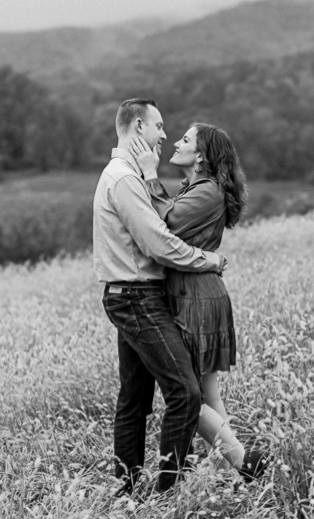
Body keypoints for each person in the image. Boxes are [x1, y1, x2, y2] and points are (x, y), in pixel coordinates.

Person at [92, 99, 227, 495]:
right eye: (159, 126)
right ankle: (168, 493)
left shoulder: (127, 175)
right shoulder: (125, 179)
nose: (165, 135)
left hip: (131, 294)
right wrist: (208, 260)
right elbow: (159, 244)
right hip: (136, 296)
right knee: (185, 392)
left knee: (134, 399)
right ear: (138, 127)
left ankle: (126, 490)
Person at [129, 122, 268, 482]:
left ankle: (241, 461)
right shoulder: (201, 188)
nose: (176, 142)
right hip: (198, 291)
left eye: (186, 139)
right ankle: (229, 475)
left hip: (194, 297)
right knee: (206, 392)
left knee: (186, 394)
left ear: (202, 154)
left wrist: (148, 174)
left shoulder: (207, 191)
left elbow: (165, 223)